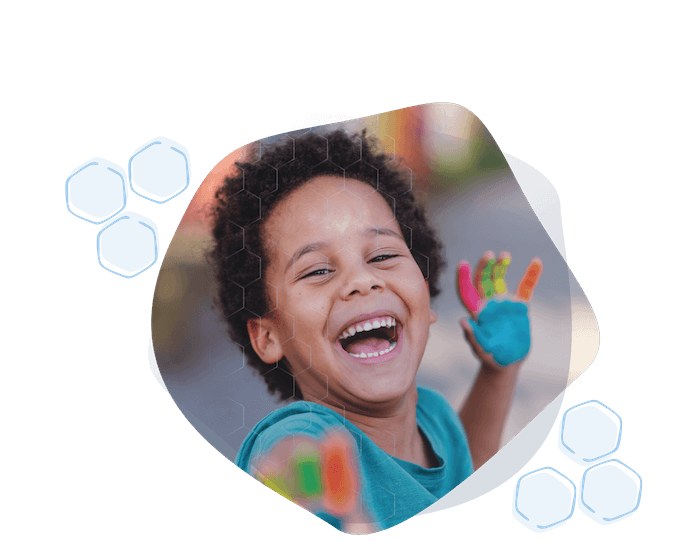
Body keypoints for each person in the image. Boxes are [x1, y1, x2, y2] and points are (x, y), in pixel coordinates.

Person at [206, 128, 542, 533]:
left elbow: (466, 471)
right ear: (268, 336)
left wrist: (498, 373)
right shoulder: (302, 435)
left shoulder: (433, 414)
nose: (362, 281)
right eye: (318, 270)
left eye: (383, 255)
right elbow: (292, 463)